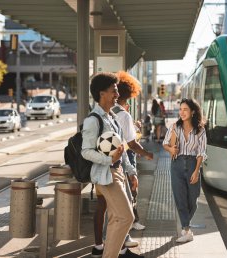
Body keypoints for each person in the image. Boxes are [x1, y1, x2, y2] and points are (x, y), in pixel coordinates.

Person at [81, 72, 143, 258]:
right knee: (127, 217)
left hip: (119, 173)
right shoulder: (93, 120)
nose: (117, 95)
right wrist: (109, 160)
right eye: (113, 91)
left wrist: (131, 172)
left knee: (117, 218)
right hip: (105, 175)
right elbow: (86, 151)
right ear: (102, 93)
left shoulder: (113, 118)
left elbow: (121, 148)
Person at [162, 98, 207, 243]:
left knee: (193, 200)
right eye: (180, 109)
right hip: (177, 164)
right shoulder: (175, 127)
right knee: (180, 199)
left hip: (193, 163)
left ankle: (186, 227)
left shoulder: (200, 129)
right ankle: (186, 229)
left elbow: (201, 152)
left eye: (185, 109)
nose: (182, 112)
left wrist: (196, 170)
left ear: (193, 111)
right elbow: (165, 143)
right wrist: (170, 148)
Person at [113, 70, 153, 230]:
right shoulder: (123, 114)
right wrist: (147, 154)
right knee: (131, 187)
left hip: (113, 157)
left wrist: (133, 126)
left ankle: (129, 223)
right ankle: (132, 222)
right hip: (126, 155)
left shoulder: (110, 110)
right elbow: (132, 143)